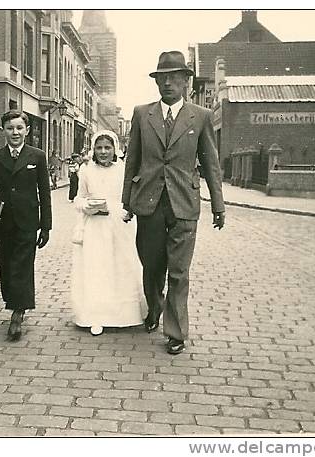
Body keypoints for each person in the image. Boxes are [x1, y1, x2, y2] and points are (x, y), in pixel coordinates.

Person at [122, 51, 225, 355]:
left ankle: (176, 332)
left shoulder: (201, 117)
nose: (167, 83)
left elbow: (211, 165)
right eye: (161, 78)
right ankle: (154, 308)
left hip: (184, 202)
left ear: (185, 80)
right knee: (152, 265)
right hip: (149, 202)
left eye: (173, 77)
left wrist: (218, 205)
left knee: (179, 271)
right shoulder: (142, 114)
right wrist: (127, 200)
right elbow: (133, 160)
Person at [0, 110, 52, 341]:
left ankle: (18, 313)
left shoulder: (37, 156)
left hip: (28, 220)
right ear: (3, 131)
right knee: (7, 265)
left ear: (27, 131)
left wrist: (46, 226)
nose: (15, 132)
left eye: (19, 128)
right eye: (10, 128)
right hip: (2, 221)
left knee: (23, 264)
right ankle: (13, 299)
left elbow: (45, 193)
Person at [71, 130, 147, 336]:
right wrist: (87, 204)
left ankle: (124, 315)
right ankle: (96, 316)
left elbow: (131, 197)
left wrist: (124, 209)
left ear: (114, 149)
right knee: (97, 269)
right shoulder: (86, 171)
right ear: (93, 150)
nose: (103, 152)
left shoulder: (123, 170)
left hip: (118, 225)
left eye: (107, 147)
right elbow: (78, 198)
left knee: (121, 267)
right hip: (95, 227)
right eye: (99, 148)